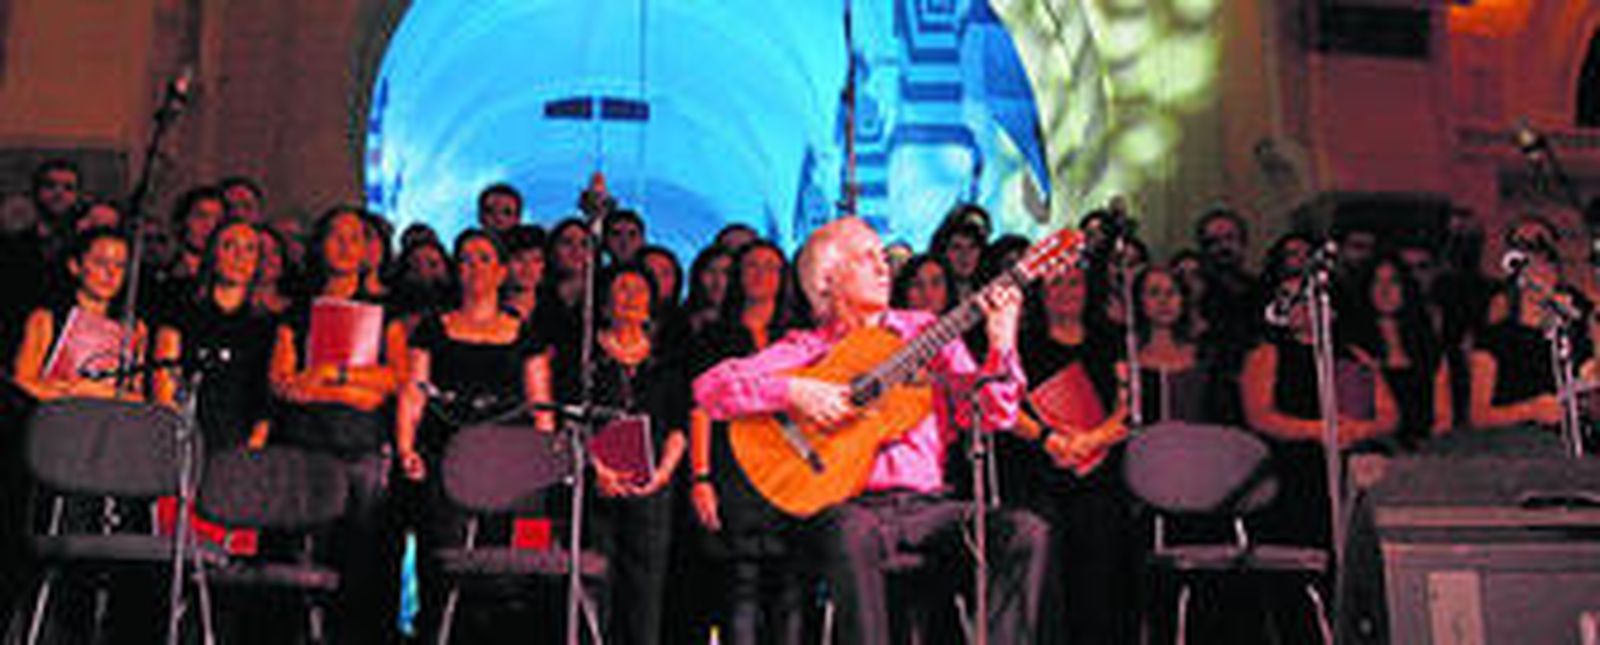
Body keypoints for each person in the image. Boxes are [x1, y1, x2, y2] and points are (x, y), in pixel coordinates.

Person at [693, 217, 1047, 645]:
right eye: (866, 259)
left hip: (928, 506)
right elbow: (711, 389)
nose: (883, 268)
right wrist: (794, 390)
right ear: (828, 280)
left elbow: (993, 415)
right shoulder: (807, 348)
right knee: (851, 532)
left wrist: (1001, 346)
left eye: (883, 258)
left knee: (1024, 532)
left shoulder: (927, 333)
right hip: (847, 506)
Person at [396, 229, 554, 642]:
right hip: (445, 457)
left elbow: (540, 404)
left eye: (485, 259)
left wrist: (545, 463)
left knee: (505, 575)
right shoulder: (433, 328)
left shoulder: (523, 332)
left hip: (509, 465)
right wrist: (406, 447)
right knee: (442, 568)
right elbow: (414, 390)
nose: (474, 268)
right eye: (465, 259)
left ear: (502, 271)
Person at [268, 205, 407, 644]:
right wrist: (355, 390)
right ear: (319, 246)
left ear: (370, 250)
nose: (346, 245)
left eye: (356, 236)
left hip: (365, 450)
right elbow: (284, 385)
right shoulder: (297, 312)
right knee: (302, 560)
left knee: (363, 566)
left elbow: (393, 381)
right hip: (305, 446)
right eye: (336, 235)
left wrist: (330, 374)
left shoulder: (388, 312)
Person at [554, 264, 688, 645]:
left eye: (639, 290)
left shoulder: (665, 362)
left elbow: (679, 426)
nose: (630, 298)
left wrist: (662, 474)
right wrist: (598, 468)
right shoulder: (583, 358)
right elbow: (568, 419)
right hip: (594, 481)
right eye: (621, 289)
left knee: (646, 588)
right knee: (596, 583)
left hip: (653, 485)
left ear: (651, 304)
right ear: (606, 301)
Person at [687, 240, 808, 645]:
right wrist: (701, 478)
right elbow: (700, 409)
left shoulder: (798, 341)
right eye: (751, 266)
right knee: (739, 585)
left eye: (771, 267)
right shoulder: (714, 337)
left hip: (791, 468)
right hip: (732, 467)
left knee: (790, 586)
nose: (760, 274)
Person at [153, 219, 279, 453]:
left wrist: (252, 448)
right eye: (229, 246)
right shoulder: (181, 310)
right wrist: (175, 437)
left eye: (249, 249)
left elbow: (266, 398)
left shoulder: (266, 325)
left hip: (238, 443)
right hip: (183, 436)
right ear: (213, 254)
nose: (239, 256)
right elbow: (164, 379)